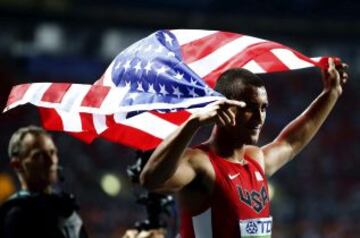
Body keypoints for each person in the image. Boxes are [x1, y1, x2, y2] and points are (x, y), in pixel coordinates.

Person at [139, 58, 348, 237]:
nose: (259, 118)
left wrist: (331, 93)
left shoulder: (254, 159)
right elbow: (151, 179)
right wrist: (193, 122)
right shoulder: (200, 163)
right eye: (250, 108)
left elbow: (291, 143)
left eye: (264, 108)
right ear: (224, 106)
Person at [0, 125, 88, 238]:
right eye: (38, 155)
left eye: (52, 152)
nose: (51, 161)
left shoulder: (65, 206)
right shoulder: (17, 215)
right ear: (17, 165)